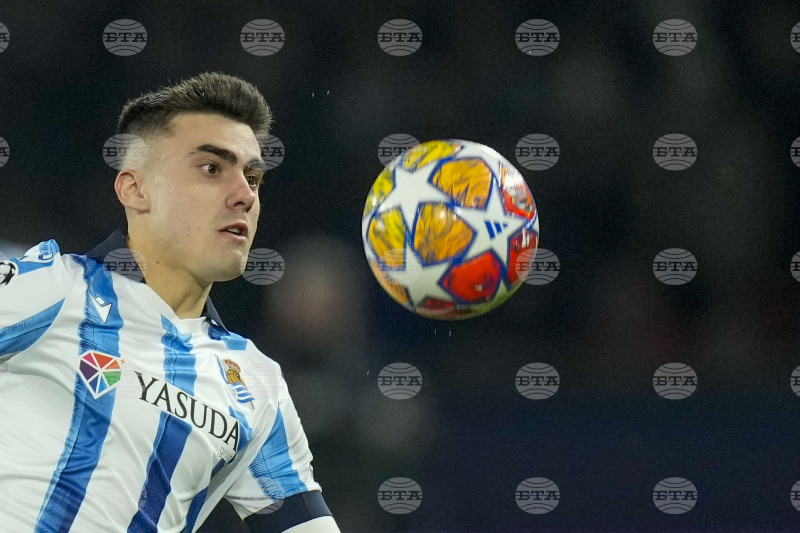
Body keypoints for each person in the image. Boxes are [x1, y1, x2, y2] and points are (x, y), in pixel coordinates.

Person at [0, 71, 340, 532]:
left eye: (253, 178)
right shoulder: (55, 289)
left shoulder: (256, 385)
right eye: (211, 169)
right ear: (135, 190)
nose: (244, 195)